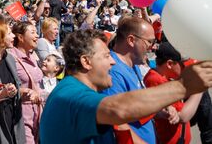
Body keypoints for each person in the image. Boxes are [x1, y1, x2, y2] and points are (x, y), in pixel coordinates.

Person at [39, 29, 212, 143]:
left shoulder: (82, 93)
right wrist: (184, 86)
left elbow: (121, 126)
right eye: (106, 56)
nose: (113, 62)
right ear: (86, 61)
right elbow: (118, 109)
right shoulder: (69, 94)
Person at [101, 17, 157, 143]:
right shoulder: (113, 71)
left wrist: (160, 110)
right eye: (149, 42)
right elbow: (117, 123)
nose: (152, 47)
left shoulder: (133, 65)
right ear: (131, 40)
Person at [144, 42, 202, 144]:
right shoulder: (155, 80)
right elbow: (183, 116)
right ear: (169, 64)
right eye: (184, 67)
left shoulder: (165, 77)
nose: (187, 70)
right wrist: (199, 88)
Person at [10, 22, 43, 144]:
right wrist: (22, 91)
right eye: (33, 32)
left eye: (36, 32)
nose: (37, 35)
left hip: (38, 112)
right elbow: (4, 86)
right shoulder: (11, 57)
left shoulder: (34, 56)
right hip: (22, 114)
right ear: (20, 37)